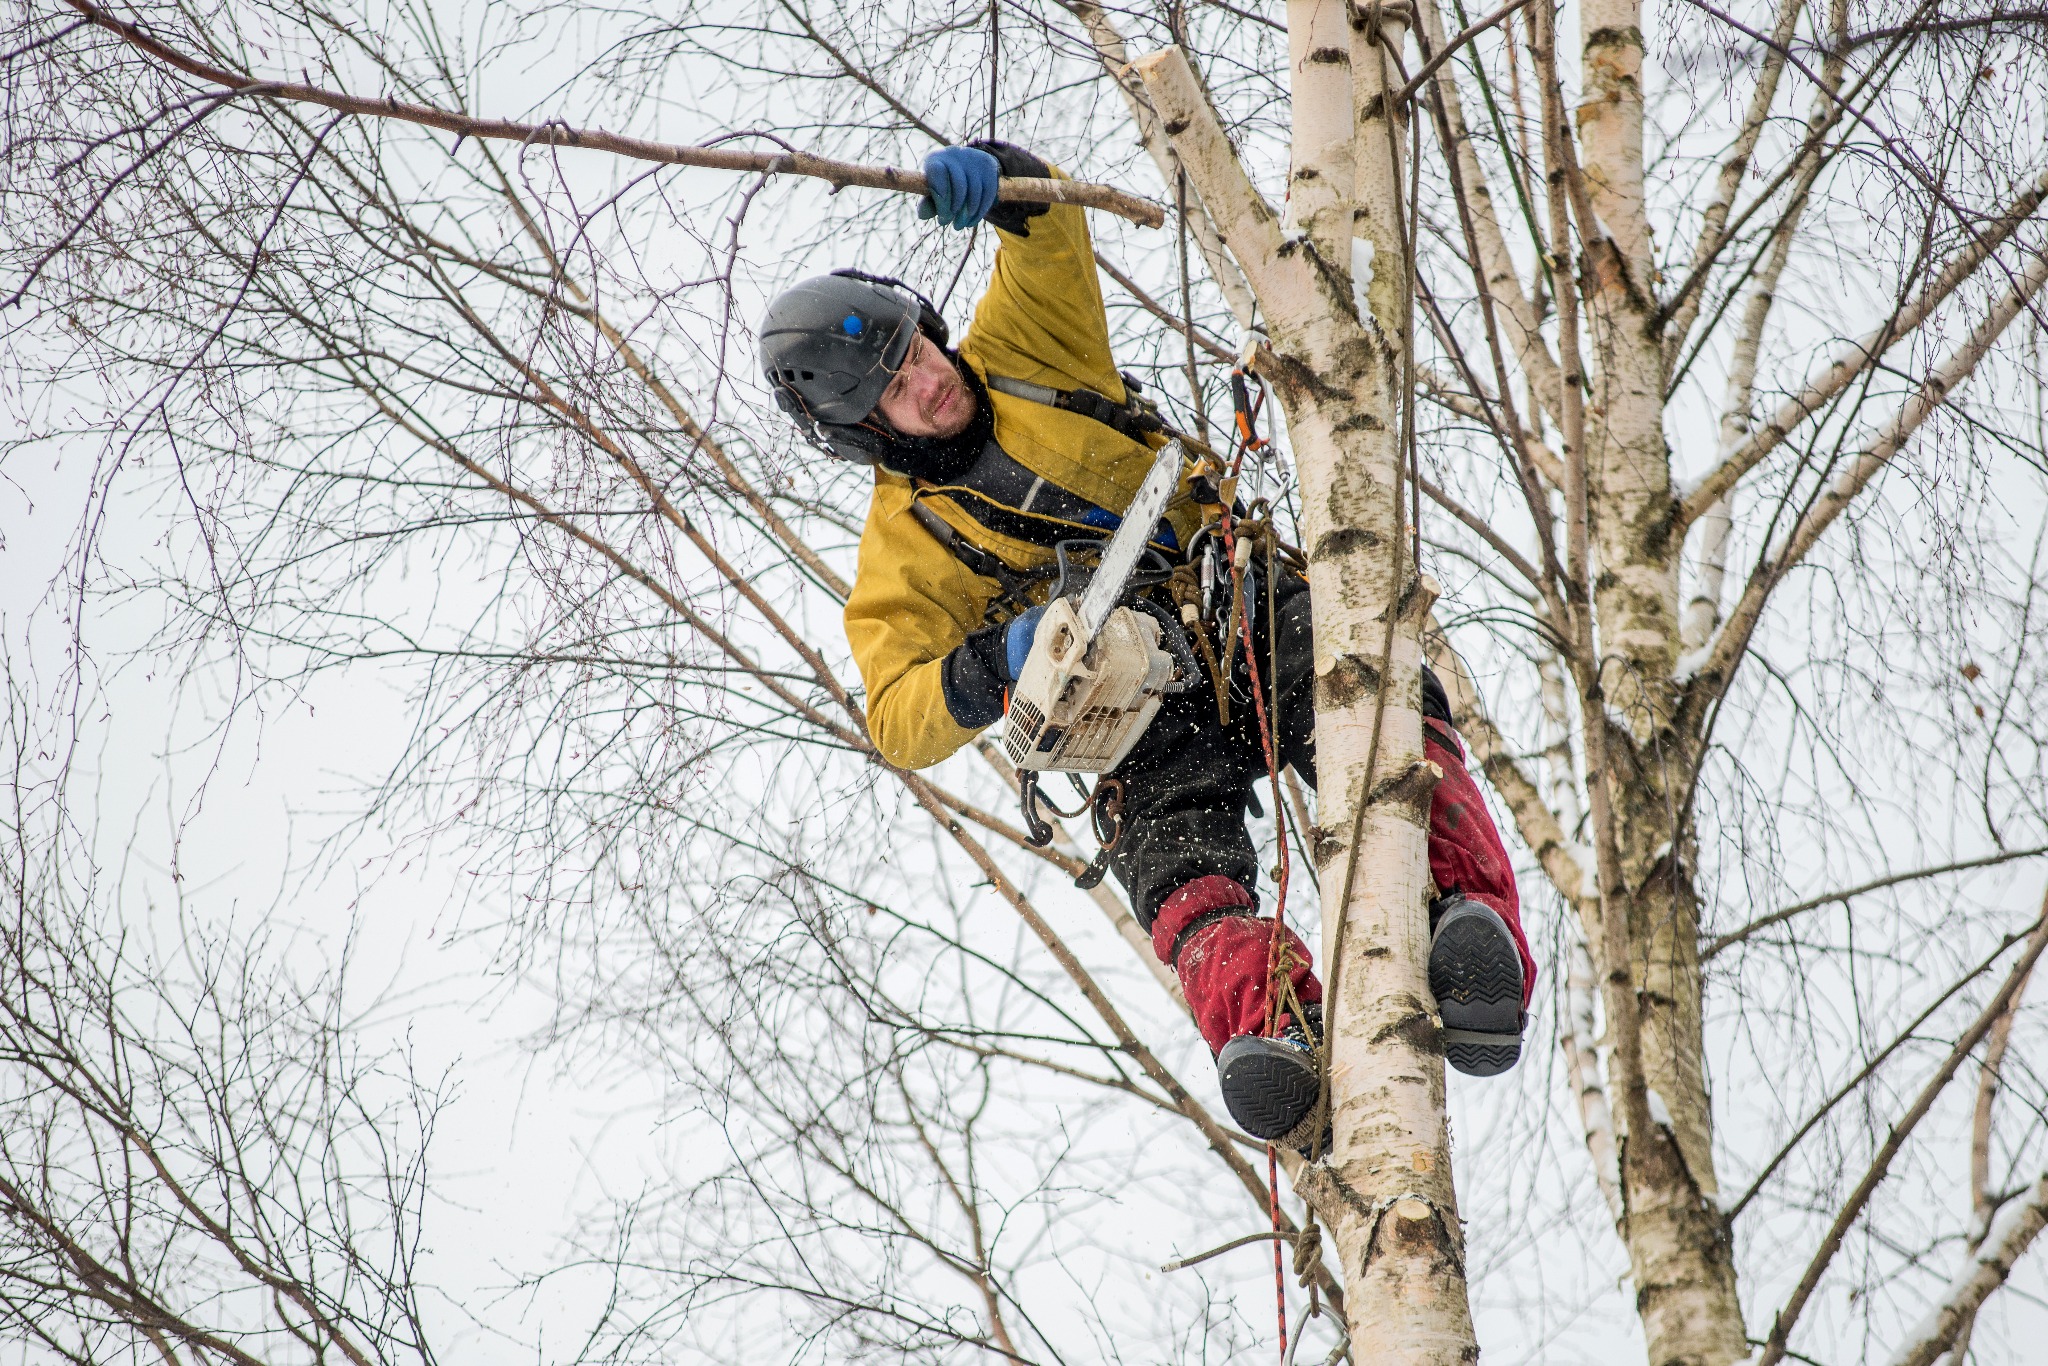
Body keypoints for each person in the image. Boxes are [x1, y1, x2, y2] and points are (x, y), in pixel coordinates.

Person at [759, 142, 1536, 1150]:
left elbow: (1047, 235)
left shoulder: (1031, 350)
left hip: (1234, 599)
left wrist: (1001, 177)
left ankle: (1470, 924)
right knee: (1172, 855)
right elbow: (893, 717)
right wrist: (993, 663)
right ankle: (1270, 1027)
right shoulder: (901, 553)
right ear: (864, 430)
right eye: (896, 387)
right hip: (1130, 699)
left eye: (916, 350)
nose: (928, 381)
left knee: (1374, 691)